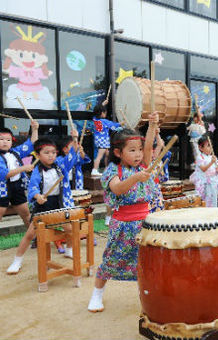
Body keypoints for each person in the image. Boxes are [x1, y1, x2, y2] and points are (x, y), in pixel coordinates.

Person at [88, 112, 159, 313]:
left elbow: (149, 145)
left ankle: (147, 296)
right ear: (118, 152)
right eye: (132, 150)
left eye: (139, 150)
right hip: (123, 225)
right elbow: (118, 189)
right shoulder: (113, 170)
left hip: (145, 223)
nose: (138, 154)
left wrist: (152, 125)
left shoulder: (143, 165)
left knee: (146, 263)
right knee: (111, 260)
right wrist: (136, 178)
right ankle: (97, 294)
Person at [6, 131, 80, 274]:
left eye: (53, 152)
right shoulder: (36, 170)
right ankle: (17, 260)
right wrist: (37, 196)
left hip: (59, 203)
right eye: (47, 153)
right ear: (38, 155)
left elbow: (71, 158)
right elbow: (32, 187)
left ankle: (69, 250)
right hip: (43, 205)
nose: (51, 155)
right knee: (30, 235)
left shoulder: (59, 165)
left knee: (69, 229)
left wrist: (75, 139)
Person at [0, 121, 38, 230]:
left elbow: (32, 143)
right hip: (2, 188)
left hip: (17, 186)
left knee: (26, 215)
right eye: (1, 139)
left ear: (12, 142)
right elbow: (5, 174)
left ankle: (35, 238)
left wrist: (34, 129)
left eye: (8, 140)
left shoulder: (15, 152)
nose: (5, 142)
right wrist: (24, 168)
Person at [190, 136, 218, 207]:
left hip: (213, 183)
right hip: (204, 184)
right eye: (208, 146)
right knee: (205, 202)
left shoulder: (212, 157)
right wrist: (211, 162)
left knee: (213, 201)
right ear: (200, 148)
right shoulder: (199, 157)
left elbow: (217, 169)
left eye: (211, 145)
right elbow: (203, 169)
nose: (210, 148)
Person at [91, 104, 121, 176]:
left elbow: (97, 110)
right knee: (99, 156)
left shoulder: (95, 119)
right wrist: (121, 123)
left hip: (99, 139)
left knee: (107, 154)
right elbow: (113, 126)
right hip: (103, 140)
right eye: (105, 112)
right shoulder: (104, 121)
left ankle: (107, 168)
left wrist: (102, 104)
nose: (106, 114)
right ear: (102, 113)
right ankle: (94, 170)